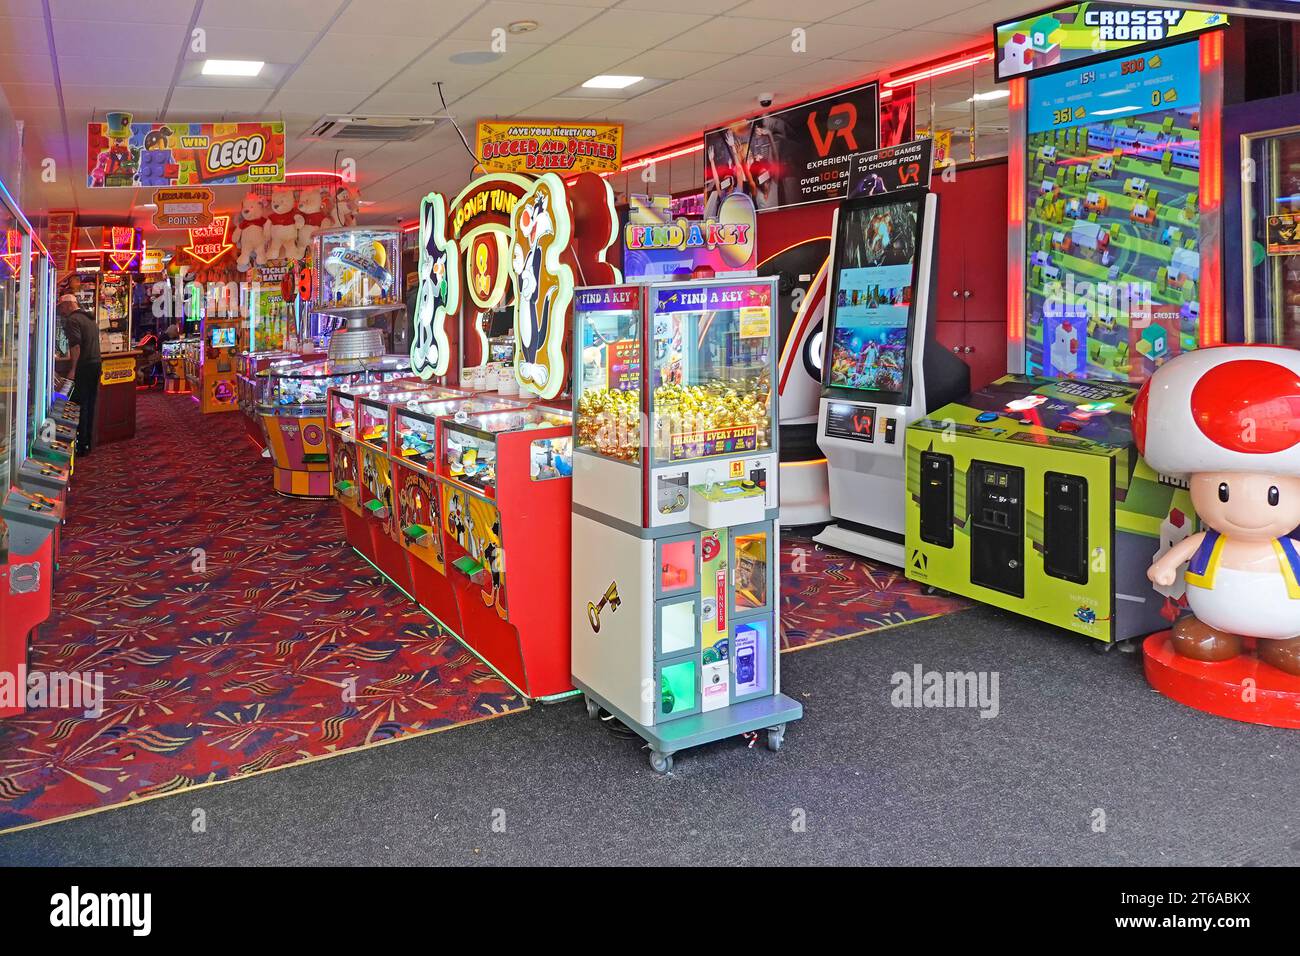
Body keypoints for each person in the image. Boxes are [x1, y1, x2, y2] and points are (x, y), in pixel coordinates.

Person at [58, 293, 102, 456]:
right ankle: (87, 444)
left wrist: (73, 369)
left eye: (62, 307)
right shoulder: (89, 318)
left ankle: (80, 445)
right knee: (90, 404)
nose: (61, 311)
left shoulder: (73, 320)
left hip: (83, 366)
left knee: (77, 406)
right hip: (96, 363)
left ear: (69, 305)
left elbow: (75, 347)